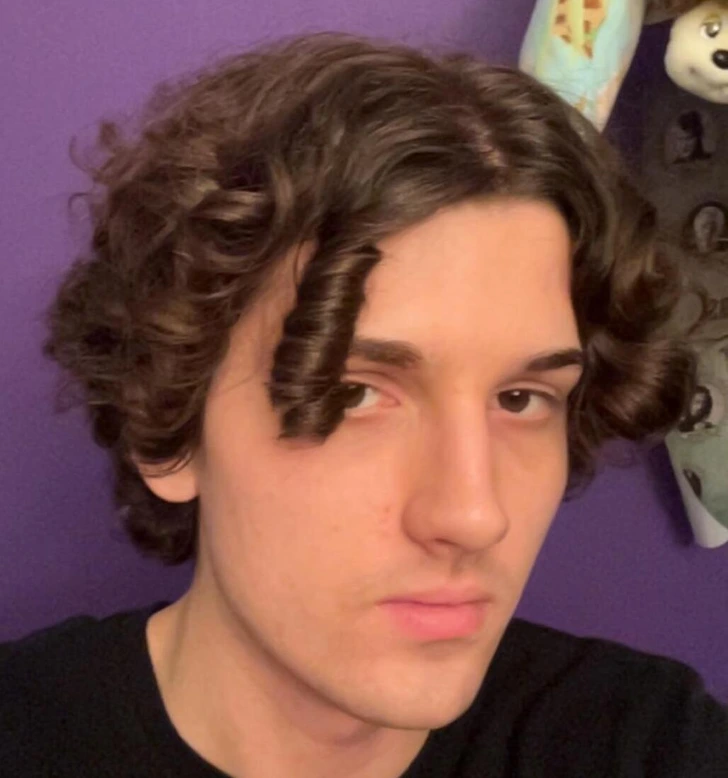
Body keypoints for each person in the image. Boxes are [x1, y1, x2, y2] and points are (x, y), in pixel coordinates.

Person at [1, 32, 726, 778]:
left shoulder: (648, 743)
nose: (474, 516)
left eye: (520, 399)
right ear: (169, 427)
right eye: (353, 392)